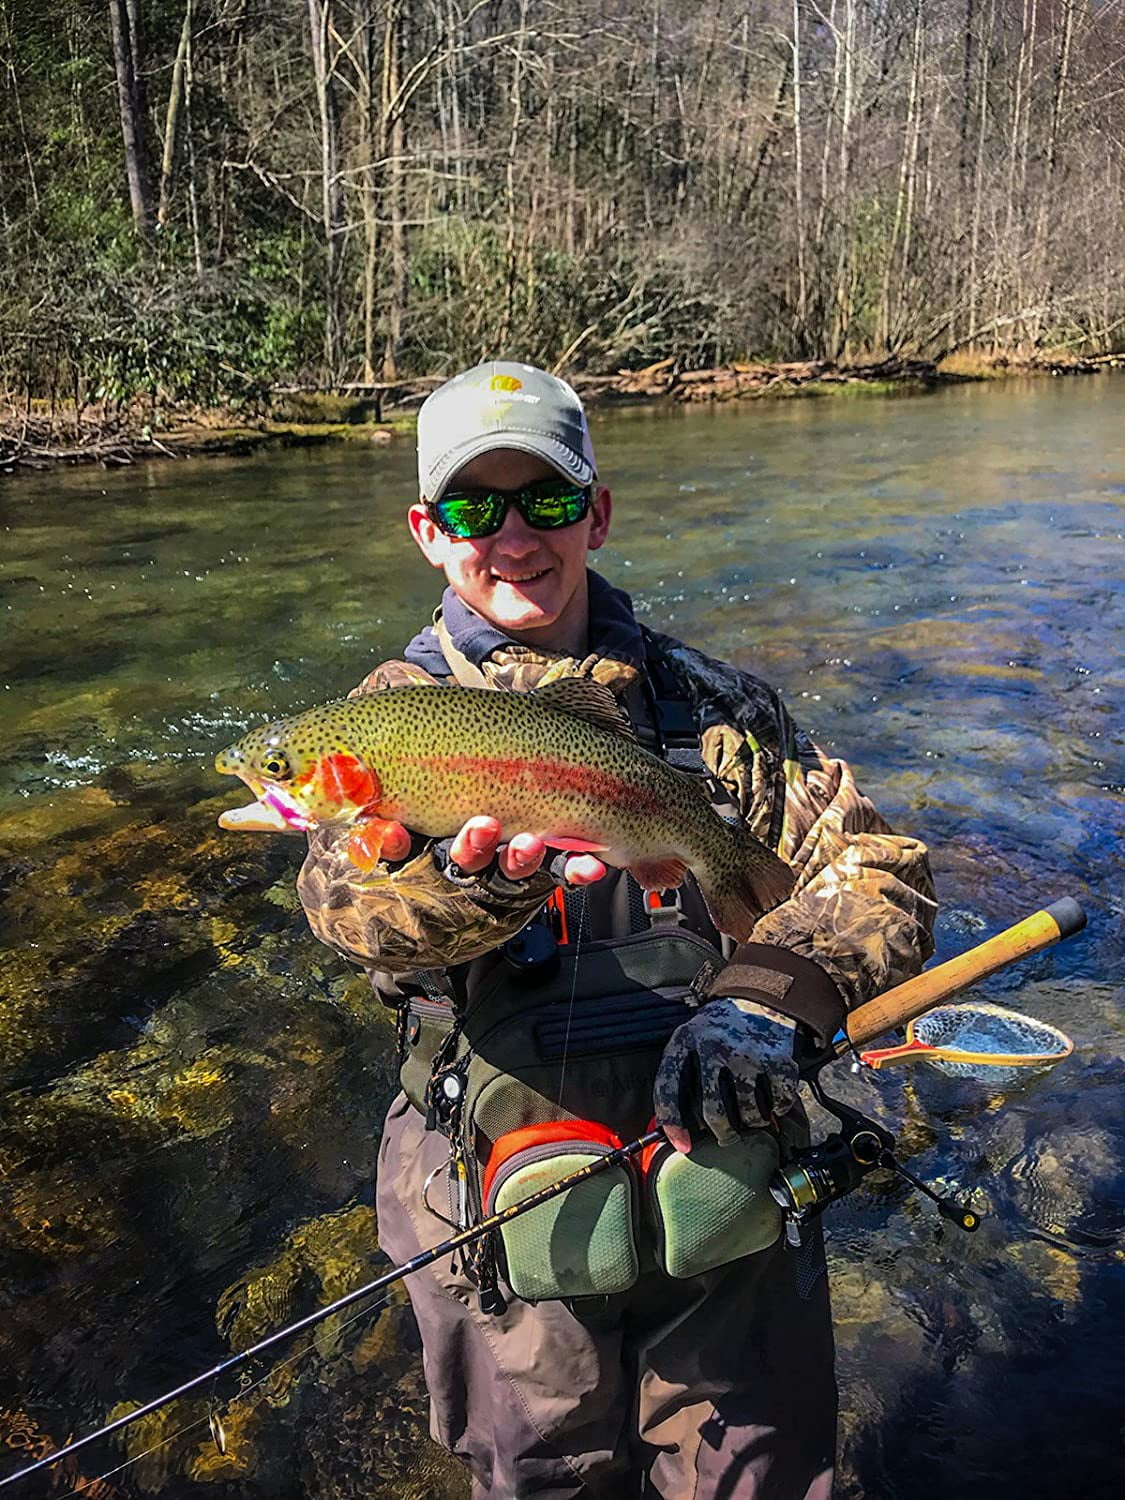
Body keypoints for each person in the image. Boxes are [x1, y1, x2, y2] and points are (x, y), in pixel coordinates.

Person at [293, 362, 938, 1498]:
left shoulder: (718, 711)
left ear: (595, 511)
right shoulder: (376, 725)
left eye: (542, 501)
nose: (511, 535)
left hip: (722, 1159)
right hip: (499, 1190)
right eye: (471, 507)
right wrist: (478, 886)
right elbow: (354, 919)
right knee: (544, 1478)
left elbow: (878, 871)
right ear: (427, 532)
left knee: (760, 1478)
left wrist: (767, 1000)